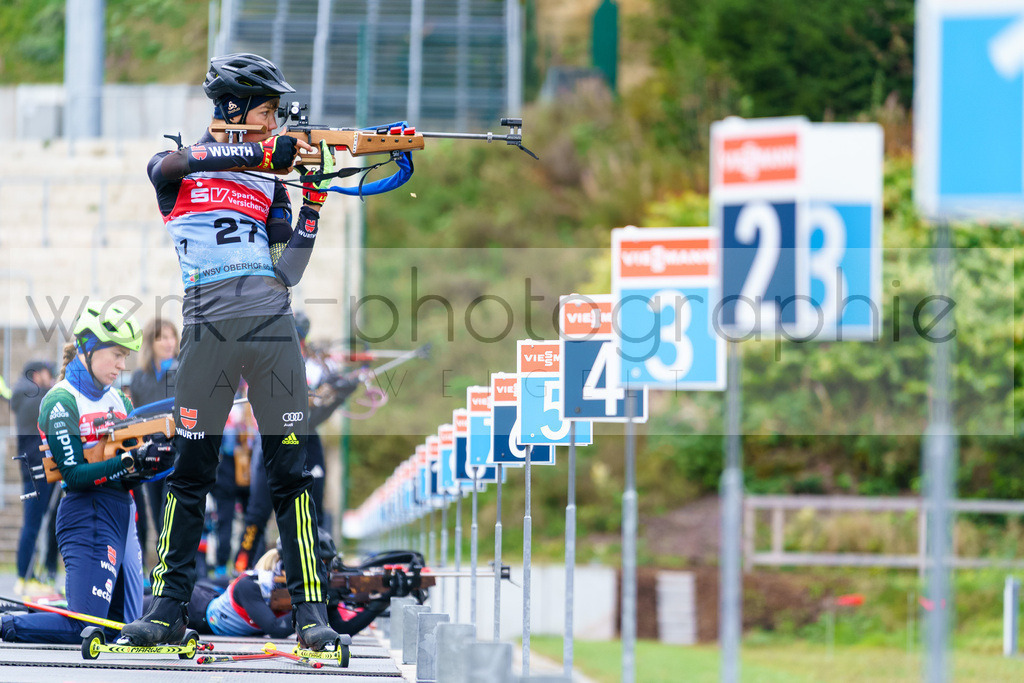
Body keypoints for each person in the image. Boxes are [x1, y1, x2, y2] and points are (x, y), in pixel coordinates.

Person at [120, 52, 340, 650]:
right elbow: (175, 165)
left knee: (290, 475)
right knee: (190, 472)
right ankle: (166, 609)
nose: (274, 124)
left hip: (272, 330)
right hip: (208, 331)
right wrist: (264, 153)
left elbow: (287, 269)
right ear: (235, 110)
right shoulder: (177, 163)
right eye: (267, 112)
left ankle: (311, 614)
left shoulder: (272, 182)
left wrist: (313, 202)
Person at [1, 302, 147, 643]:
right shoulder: (60, 400)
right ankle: (6, 624)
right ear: (89, 349)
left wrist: (154, 462)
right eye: (117, 355)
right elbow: (75, 475)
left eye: (126, 356)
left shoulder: (121, 401)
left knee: (123, 629)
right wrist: (128, 462)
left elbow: (136, 469)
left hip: (123, 513)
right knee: (85, 626)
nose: (123, 365)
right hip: (86, 512)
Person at [233, 311, 360, 572]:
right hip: (271, 439)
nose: (297, 343)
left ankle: (319, 564)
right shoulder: (265, 358)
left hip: (306, 438)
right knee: (257, 512)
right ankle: (242, 568)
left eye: (300, 338)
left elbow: (318, 411)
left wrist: (339, 392)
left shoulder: (315, 365)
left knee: (313, 508)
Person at [128, 318, 180, 561]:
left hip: (177, 454)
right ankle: (163, 566)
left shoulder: (183, 371)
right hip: (150, 455)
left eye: (172, 336)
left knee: (169, 515)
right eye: (162, 337)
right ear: (151, 342)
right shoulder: (139, 377)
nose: (169, 342)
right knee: (157, 516)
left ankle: (172, 566)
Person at [11, 360, 59, 596]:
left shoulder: (26, 393)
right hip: (37, 467)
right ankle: (25, 575)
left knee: (36, 522)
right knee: (33, 524)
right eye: (48, 375)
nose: (51, 379)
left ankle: (30, 574)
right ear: (37, 374)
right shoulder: (30, 394)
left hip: (35, 466)